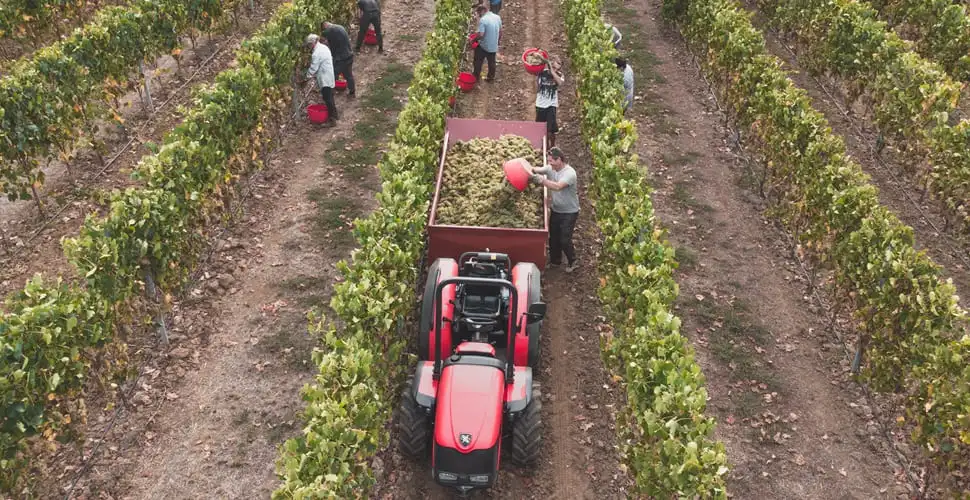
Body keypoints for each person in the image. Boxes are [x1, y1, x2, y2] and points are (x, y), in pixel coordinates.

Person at [528, 147, 580, 272]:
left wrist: (542, 180)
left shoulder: (569, 173)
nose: (549, 163)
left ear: (560, 160)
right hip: (556, 209)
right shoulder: (551, 168)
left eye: (552, 161)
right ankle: (555, 261)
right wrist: (527, 169)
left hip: (569, 212)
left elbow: (557, 187)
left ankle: (573, 261)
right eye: (549, 161)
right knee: (554, 237)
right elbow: (535, 169)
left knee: (565, 239)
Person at [304, 34, 337, 127]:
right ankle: (335, 115)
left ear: (312, 43)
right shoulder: (324, 47)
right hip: (329, 75)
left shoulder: (316, 53)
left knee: (327, 99)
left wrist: (307, 77)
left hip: (324, 77)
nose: (309, 47)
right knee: (330, 96)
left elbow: (313, 68)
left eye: (309, 45)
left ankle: (332, 120)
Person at [535, 56, 564, 147]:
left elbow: (560, 83)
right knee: (540, 128)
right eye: (553, 66)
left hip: (551, 105)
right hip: (540, 105)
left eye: (557, 67)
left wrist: (552, 72)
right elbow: (537, 87)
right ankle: (545, 147)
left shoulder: (560, 76)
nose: (554, 69)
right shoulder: (542, 74)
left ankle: (552, 146)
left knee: (550, 130)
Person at [321, 21, 355, 97]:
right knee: (349, 75)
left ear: (325, 26)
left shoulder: (329, 30)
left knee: (332, 75)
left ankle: (329, 96)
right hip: (349, 55)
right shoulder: (340, 27)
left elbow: (322, 40)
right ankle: (352, 92)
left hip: (341, 59)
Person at [473, 4, 502, 82]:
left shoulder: (483, 20)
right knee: (492, 62)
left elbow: (481, 35)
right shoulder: (497, 17)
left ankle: (476, 76)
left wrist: (473, 40)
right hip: (493, 45)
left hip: (484, 45)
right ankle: (490, 78)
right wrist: (498, 41)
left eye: (479, 14)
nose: (479, 16)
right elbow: (500, 32)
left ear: (482, 11)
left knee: (478, 60)